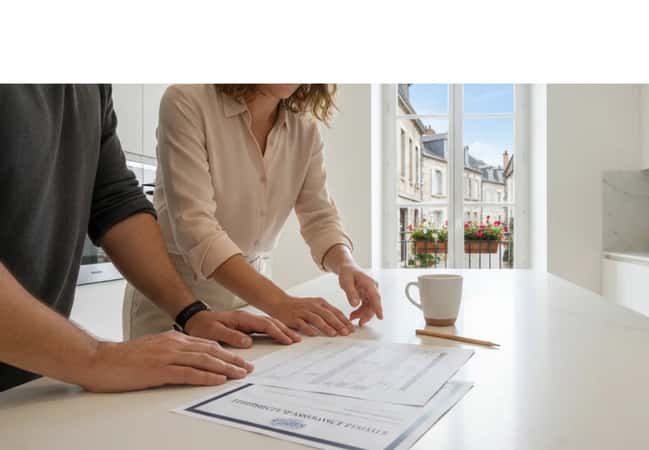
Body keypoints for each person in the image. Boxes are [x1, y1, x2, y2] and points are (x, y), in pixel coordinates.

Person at [0, 84, 302, 393]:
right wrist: (95, 358)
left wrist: (192, 313)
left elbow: (115, 201)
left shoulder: (90, 86)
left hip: (29, 380)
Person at [124, 84, 383, 340]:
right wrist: (280, 303)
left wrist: (347, 264)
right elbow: (196, 229)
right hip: (176, 299)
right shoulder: (186, 101)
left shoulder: (305, 130)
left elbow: (321, 219)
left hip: (254, 299)